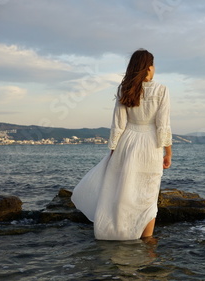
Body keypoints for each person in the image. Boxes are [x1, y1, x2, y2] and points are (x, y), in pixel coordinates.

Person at [71, 49, 172, 240]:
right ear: (149, 67)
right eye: (153, 65)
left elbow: (118, 125)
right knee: (148, 195)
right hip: (151, 145)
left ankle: (119, 232)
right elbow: (163, 125)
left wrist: (113, 150)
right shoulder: (162, 90)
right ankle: (146, 241)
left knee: (124, 190)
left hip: (127, 142)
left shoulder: (124, 89)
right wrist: (168, 152)